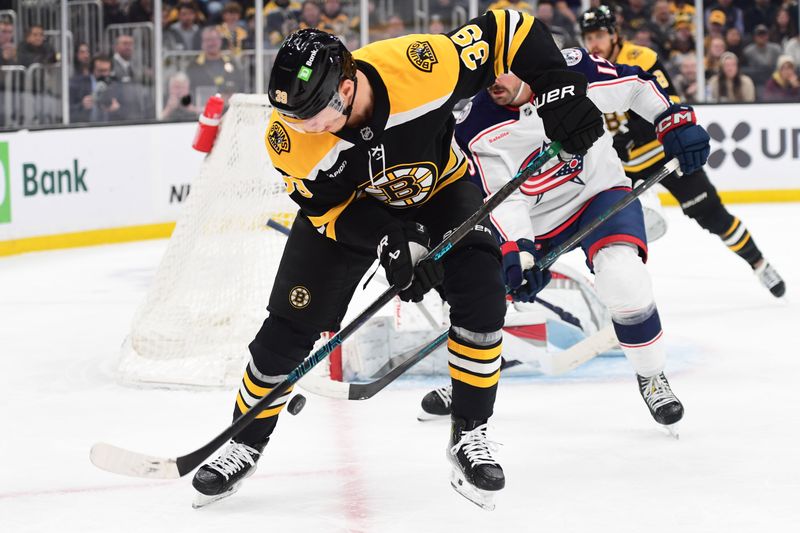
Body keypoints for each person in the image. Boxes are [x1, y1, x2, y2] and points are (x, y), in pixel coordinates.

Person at [190, 11, 605, 510]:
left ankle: (469, 434)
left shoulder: (420, 66)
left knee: (482, 295)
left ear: (346, 88)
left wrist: (558, 86)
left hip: (441, 191)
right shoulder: (289, 139)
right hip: (350, 217)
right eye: (293, 116)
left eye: (311, 115)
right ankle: (245, 440)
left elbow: (509, 28)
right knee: (287, 332)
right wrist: (392, 239)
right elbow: (326, 213)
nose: (300, 126)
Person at [418, 47, 711, 429]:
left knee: (623, 278)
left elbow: (636, 86)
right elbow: (502, 197)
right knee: (478, 293)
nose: (492, 83)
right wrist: (519, 253)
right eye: (486, 74)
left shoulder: (572, 71)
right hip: (535, 224)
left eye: (502, 72)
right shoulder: (474, 124)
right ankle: (470, 383)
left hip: (598, 195)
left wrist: (671, 120)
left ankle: (651, 374)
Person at [579, 5, 785, 297]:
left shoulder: (641, 57)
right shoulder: (584, 68)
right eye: (589, 37)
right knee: (611, 232)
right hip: (622, 167)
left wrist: (632, 132)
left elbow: (668, 101)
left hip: (667, 155)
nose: (594, 43)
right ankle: (618, 295)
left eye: (599, 35)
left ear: (614, 34)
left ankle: (760, 263)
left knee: (713, 215)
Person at [68, 54, 121, 123]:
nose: (104, 74)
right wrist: (82, 105)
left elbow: (127, 111)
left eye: (106, 71)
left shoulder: (115, 85)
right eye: (100, 71)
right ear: (92, 70)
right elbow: (67, 111)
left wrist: (116, 109)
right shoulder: (79, 84)